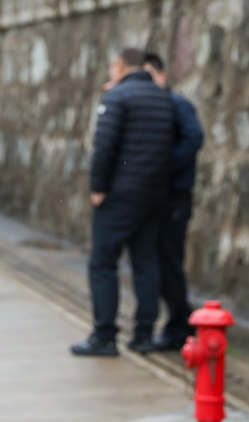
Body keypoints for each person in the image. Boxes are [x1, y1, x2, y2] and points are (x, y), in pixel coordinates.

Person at [71, 47, 176, 356]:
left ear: (119, 66)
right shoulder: (163, 98)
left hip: (119, 196)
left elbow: (104, 146)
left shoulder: (117, 97)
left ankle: (105, 336)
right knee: (146, 264)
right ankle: (143, 336)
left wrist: (98, 187)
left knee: (103, 263)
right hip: (153, 196)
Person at [142, 52, 204, 352]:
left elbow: (194, 137)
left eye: (149, 76)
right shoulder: (151, 107)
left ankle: (180, 325)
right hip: (158, 196)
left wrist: (163, 166)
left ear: (162, 75)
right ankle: (179, 321)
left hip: (175, 197)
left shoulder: (176, 104)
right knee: (159, 261)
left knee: (169, 261)